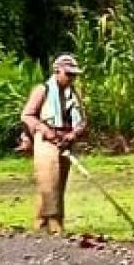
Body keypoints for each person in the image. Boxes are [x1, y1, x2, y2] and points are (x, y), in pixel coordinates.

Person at [20, 53, 88, 234]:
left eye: (74, 75)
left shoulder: (74, 94)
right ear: (57, 71)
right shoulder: (42, 90)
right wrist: (45, 130)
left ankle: (41, 221)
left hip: (66, 140)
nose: (71, 78)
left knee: (60, 182)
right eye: (68, 74)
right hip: (46, 139)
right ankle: (54, 220)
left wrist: (74, 134)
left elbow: (82, 120)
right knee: (49, 179)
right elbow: (27, 115)